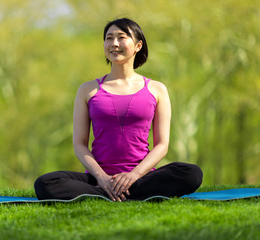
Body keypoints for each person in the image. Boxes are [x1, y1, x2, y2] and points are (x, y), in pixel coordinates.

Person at [34, 18, 203, 202]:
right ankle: (112, 191)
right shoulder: (88, 89)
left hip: (142, 176)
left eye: (121, 37)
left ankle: (116, 193)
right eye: (109, 38)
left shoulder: (157, 89)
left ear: (138, 45)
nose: (114, 43)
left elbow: (162, 145)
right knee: (46, 183)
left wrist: (134, 175)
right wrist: (102, 178)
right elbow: (79, 144)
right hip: (97, 178)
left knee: (191, 173)